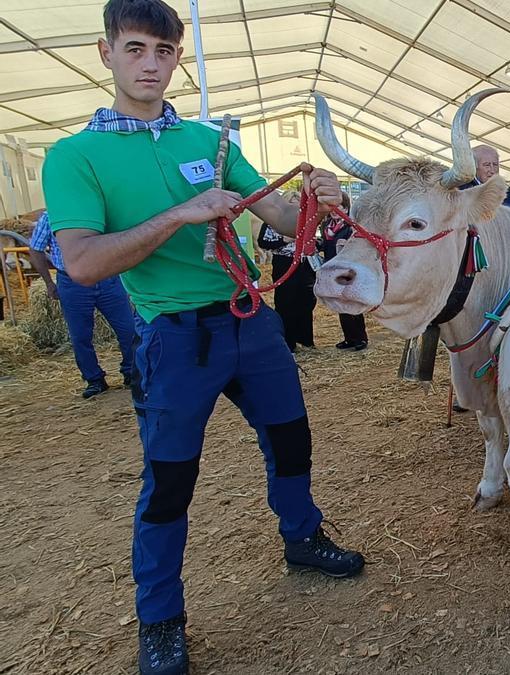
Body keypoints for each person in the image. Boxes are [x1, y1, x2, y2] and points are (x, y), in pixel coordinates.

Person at [40, 2, 364, 673]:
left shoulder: (208, 143)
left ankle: (303, 535)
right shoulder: (75, 157)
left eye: (164, 52)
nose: (151, 65)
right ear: (107, 54)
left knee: (291, 439)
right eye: (136, 50)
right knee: (169, 481)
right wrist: (183, 213)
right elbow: (83, 261)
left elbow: (274, 209)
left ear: (177, 58)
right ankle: (160, 618)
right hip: (174, 338)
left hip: (250, 320)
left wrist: (320, 201)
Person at [28, 211, 139, 398]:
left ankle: (132, 372)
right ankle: (94, 380)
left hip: (108, 277)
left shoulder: (103, 211)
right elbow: (36, 248)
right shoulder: (52, 216)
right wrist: (48, 282)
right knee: (80, 335)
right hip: (72, 282)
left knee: (128, 329)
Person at [258, 191, 317, 352]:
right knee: (286, 302)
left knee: (306, 301)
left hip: (305, 263)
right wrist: (285, 240)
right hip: (284, 262)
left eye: (298, 202)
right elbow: (263, 242)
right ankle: (288, 342)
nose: (295, 206)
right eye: (291, 202)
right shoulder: (272, 222)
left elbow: (316, 240)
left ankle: (306, 340)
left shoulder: (307, 220)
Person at [320, 192, 369, 350]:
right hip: (332, 268)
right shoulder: (326, 226)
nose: (334, 210)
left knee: (352, 303)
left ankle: (361, 338)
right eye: (331, 207)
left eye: (338, 206)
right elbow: (326, 247)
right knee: (340, 305)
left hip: (348, 270)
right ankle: (348, 338)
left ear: (346, 207)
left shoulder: (352, 226)